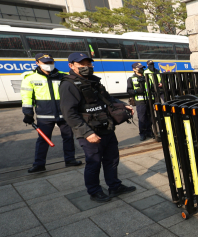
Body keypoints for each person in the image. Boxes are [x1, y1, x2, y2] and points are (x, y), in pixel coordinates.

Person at [59, 52, 137, 202]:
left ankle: (114, 186)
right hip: (90, 132)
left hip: (106, 127)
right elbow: (69, 113)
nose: (87, 67)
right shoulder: (68, 85)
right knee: (94, 163)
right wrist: (87, 133)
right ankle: (94, 191)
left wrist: (124, 105)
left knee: (112, 159)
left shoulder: (94, 81)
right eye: (82, 64)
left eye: (88, 64)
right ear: (71, 66)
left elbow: (108, 99)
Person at [21, 53, 82, 173]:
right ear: (37, 63)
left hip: (64, 114)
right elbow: (26, 97)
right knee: (43, 140)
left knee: (68, 137)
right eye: (45, 63)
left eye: (51, 62)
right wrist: (28, 113)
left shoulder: (63, 77)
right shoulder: (30, 78)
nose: (49, 65)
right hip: (45, 116)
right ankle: (39, 164)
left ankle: (70, 160)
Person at [127, 62, 153, 141]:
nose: (141, 69)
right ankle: (142, 133)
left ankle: (149, 131)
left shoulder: (147, 77)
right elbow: (129, 91)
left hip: (149, 100)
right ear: (134, 69)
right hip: (140, 101)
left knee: (150, 117)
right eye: (139, 68)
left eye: (142, 68)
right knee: (142, 118)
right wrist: (136, 91)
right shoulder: (131, 79)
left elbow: (152, 88)